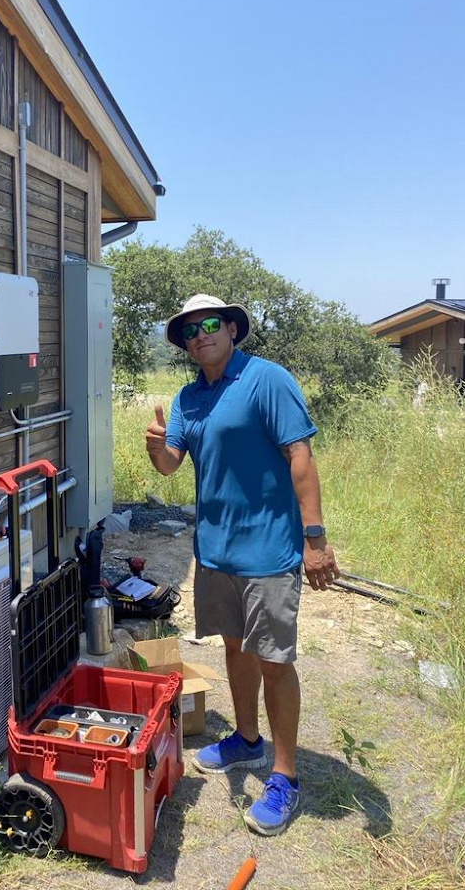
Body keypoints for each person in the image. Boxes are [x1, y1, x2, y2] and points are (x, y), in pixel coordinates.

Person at [145, 293, 340, 836]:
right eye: (189, 331)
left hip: (268, 552)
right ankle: (248, 741)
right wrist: (156, 447)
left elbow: (300, 456)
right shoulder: (188, 398)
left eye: (210, 324)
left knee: (274, 660)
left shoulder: (266, 380)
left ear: (231, 328)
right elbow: (170, 465)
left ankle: (285, 775)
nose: (200, 335)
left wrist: (315, 539)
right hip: (215, 552)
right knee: (235, 648)